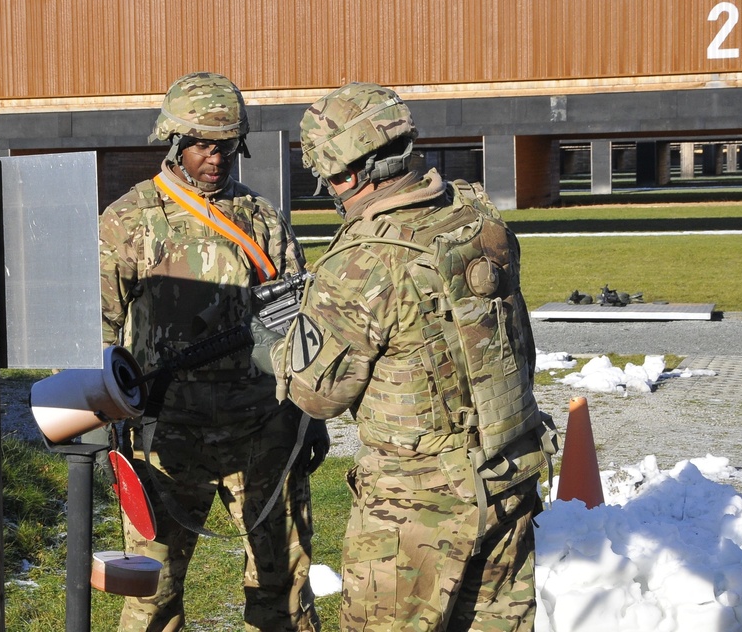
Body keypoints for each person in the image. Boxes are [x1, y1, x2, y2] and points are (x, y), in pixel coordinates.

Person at [263, 82, 553, 631]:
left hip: (417, 507)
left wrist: (276, 347)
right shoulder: (478, 212)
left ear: (345, 174)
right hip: (508, 475)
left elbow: (317, 396)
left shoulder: (361, 262)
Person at [98, 71, 326, 632]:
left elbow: (300, 319)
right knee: (151, 588)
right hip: (168, 435)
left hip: (264, 431)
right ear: (175, 143)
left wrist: (309, 417)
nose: (216, 158)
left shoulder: (262, 218)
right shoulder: (130, 220)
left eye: (226, 146)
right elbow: (99, 326)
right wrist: (104, 414)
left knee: (285, 585)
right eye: (202, 144)